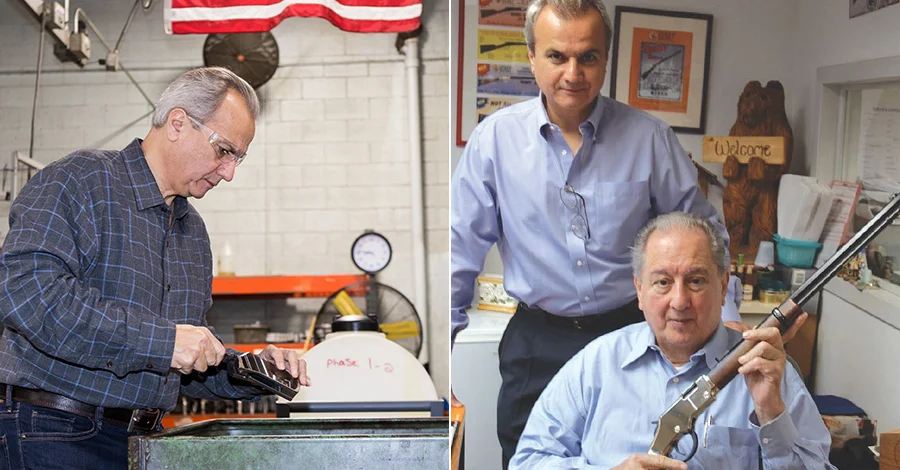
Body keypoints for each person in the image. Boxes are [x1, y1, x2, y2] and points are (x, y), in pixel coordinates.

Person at [450, 0, 745, 465]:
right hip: (537, 344)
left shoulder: (649, 139)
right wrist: (443, 361)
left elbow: (704, 233)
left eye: (588, 56)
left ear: (606, 59)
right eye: (556, 56)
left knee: (638, 459)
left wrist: (725, 320)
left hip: (633, 335)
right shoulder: (494, 142)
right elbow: (457, 252)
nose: (573, 73)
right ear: (532, 56)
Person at [0, 67, 309, 469]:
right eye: (224, 150)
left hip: (145, 440)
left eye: (238, 158)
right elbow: (27, 295)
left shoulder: (192, 231)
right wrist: (165, 342)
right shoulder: (79, 181)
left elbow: (182, 358)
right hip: (52, 431)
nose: (230, 173)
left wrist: (249, 369)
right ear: (178, 123)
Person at [511, 212, 834, 469]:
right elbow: (527, 462)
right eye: (663, 282)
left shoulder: (768, 372)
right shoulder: (595, 364)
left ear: (723, 287)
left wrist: (770, 412)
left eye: (696, 281)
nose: (679, 301)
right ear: (639, 290)